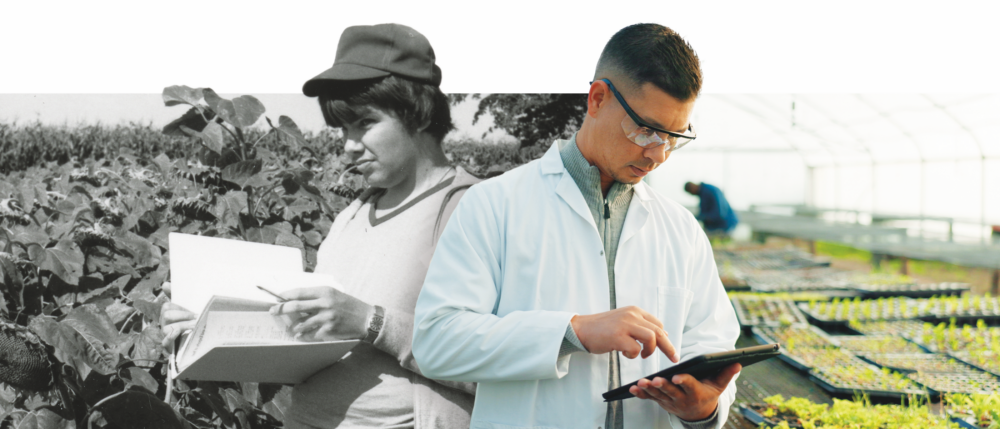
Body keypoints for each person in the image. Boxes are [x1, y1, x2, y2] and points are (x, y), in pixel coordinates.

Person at [411, 23, 740, 429]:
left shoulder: (681, 230)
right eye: (647, 130)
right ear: (598, 98)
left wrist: (704, 409)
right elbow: (437, 341)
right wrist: (573, 331)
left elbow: (712, 341)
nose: (658, 155)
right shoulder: (494, 205)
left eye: (672, 137)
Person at [161, 23, 479, 429]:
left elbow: (504, 360)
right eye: (344, 128)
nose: (348, 144)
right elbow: (307, 342)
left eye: (365, 123)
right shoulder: (351, 216)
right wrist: (205, 327)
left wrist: (372, 322)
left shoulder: (469, 209)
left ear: (416, 112)